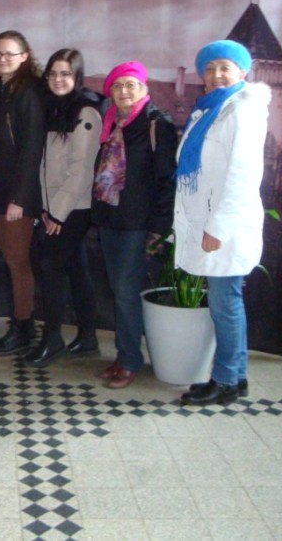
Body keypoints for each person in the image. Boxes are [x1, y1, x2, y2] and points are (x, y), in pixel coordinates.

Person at [175, 40, 269, 405]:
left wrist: (218, 227)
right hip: (213, 218)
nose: (216, 75)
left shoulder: (243, 110)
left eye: (225, 67)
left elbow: (243, 176)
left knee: (224, 303)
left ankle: (226, 381)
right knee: (227, 301)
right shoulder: (212, 109)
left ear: (242, 71)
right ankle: (237, 376)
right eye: (210, 68)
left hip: (226, 225)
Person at [91, 61, 178, 389]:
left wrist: (158, 228)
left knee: (126, 292)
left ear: (144, 88)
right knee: (119, 291)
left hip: (138, 224)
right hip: (110, 219)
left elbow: (167, 181)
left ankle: (130, 361)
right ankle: (123, 354)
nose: (124, 91)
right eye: (117, 86)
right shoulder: (112, 123)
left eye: (131, 84)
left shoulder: (157, 124)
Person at [25, 49, 102, 368]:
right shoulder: (53, 108)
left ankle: (53, 339)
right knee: (76, 269)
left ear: (77, 77)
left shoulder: (85, 112)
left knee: (51, 269)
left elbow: (81, 170)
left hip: (72, 209)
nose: (58, 80)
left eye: (66, 74)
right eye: (53, 73)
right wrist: (45, 208)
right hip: (52, 207)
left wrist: (56, 213)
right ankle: (88, 337)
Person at [0, 30, 46, 356]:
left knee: (18, 262)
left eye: (10, 53)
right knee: (11, 261)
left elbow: (32, 149)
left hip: (16, 195)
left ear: (24, 56)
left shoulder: (29, 93)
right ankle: (19, 323)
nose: (3, 59)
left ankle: (23, 328)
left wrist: (19, 198)